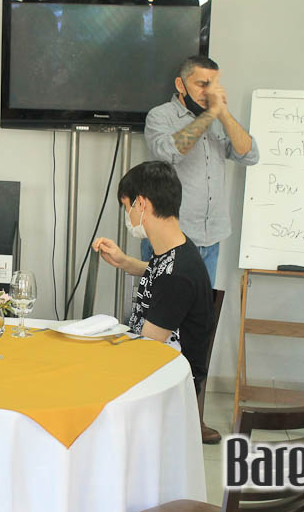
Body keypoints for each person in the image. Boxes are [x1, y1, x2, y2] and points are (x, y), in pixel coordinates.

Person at [92, 161, 221, 444]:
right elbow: (158, 272)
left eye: (127, 207)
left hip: (166, 388)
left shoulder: (178, 275)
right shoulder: (177, 250)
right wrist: (125, 262)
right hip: (158, 370)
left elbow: (146, 349)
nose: (128, 216)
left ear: (142, 204)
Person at [142, 55, 260, 285]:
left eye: (213, 85)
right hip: (170, 238)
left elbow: (250, 155)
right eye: (202, 84)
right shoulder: (160, 115)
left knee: (203, 306)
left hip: (211, 238)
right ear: (181, 85)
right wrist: (210, 114)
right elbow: (170, 152)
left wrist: (223, 113)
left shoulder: (219, 119)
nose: (209, 92)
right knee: (164, 305)